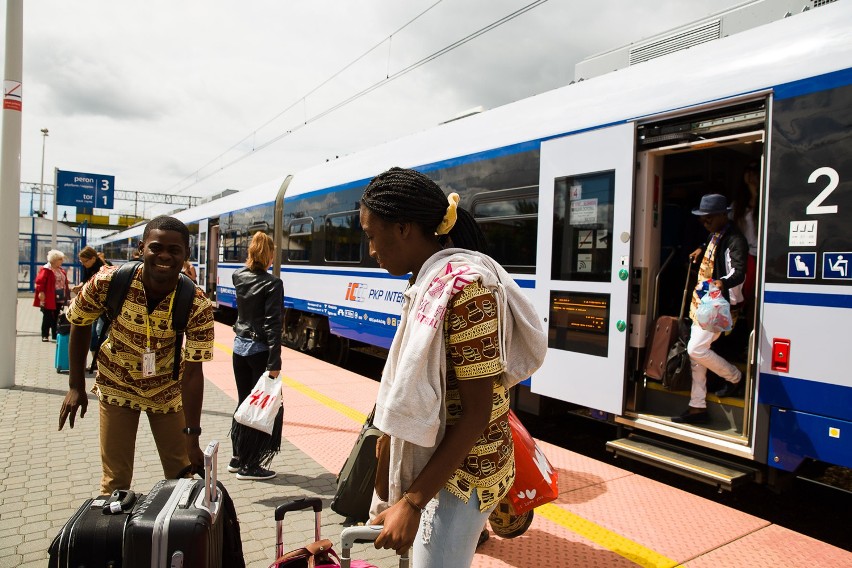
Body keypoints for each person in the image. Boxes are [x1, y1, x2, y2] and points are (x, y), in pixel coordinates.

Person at [362, 167, 546, 566]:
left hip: (464, 473)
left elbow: (478, 413)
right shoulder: (428, 281)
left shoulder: (466, 291)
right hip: (439, 465)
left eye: (372, 236)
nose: (371, 250)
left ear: (404, 228)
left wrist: (412, 502)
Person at [58, 216, 215, 493]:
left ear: (186, 255)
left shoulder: (197, 304)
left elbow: (193, 374)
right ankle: (115, 532)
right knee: (115, 482)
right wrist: (75, 386)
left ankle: (175, 534)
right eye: (156, 247)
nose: (164, 255)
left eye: (174, 250)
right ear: (141, 248)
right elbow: (79, 321)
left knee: (182, 477)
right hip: (116, 384)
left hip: (166, 391)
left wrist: (192, 438)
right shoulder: (108, 281)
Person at [673, 194, 747, 425]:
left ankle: (735, 377)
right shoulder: (717, 233)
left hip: (717, 303)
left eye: (709, 219)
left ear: (723, 215)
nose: (705, 223)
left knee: (696, 350)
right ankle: (697, 407)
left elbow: (739, 272)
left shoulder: (735, 239)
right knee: (697, 357)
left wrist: (722, 282)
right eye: (702, 219)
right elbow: (709, 246)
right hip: (703, 301)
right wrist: (699, 249)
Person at [228, 232, 283, 480]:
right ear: (269, 254)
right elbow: (273, 325)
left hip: (239, 348)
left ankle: (237, 456)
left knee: (243, 402)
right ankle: (250, 465)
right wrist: (274, 363)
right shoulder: (272, 283)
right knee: (261, 407)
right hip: (260, 352)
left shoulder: (238, 276)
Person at [73, 246, 107, 373]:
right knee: (93, 334)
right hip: (92, 306)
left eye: (85, 261)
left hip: (103, 308)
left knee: (100, 332)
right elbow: (85, 281)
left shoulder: (103, 269)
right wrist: (80, 286)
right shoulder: (87, 267)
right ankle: (96, 362)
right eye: (81, 262)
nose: (83, 264)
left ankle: (104, 362)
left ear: (93, 258)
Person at [731, 161, 759, 309]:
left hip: (762, 256)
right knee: (744, 295)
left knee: (756, 296)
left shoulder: (767, 202)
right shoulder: (738, 205)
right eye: (748, 172)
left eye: (754, 172)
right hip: (745, 255)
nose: (750, 176)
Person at [34, 249, 71, 342]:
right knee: (47, 316)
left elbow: (64, 281)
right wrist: (41, 292)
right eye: (60, 259)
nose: (62, 261)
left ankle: (55, 334)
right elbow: (40, 282)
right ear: (54, 260)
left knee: (56, 316)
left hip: (59, 297)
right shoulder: (46, 269)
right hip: (49, 297)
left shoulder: (61, 270)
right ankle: (45, 335)